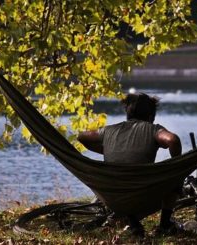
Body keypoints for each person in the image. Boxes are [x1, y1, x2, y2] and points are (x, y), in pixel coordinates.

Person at [78, 93, 182, 236]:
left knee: (126, 186)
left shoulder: (108, 131)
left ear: (128, 112)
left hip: (113, 198)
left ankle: (133, 223)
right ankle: (164, 224)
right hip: (141, 195)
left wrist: (105, 150)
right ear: (151, 115)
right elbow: (173, 140)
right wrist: (177, 166)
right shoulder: (153, 129)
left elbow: (81, 136)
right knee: (175, 177)